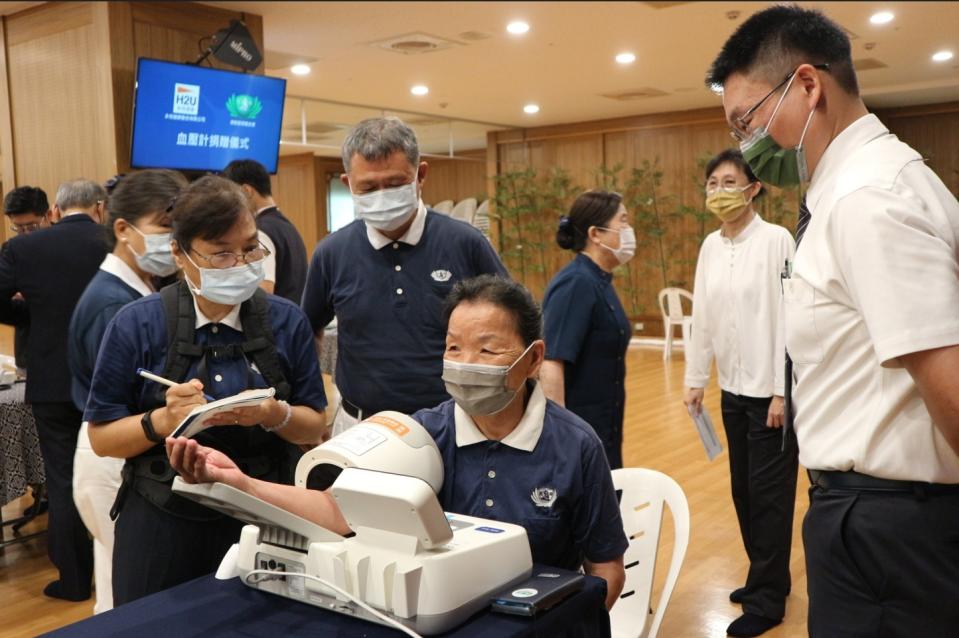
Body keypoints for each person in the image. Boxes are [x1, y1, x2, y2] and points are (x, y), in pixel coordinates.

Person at [709, 6, 959, 637]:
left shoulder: (866, 201)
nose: (746, 144)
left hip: (890, 527)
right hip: (873, 517)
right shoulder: (860, 187)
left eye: (748, 120)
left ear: (809, 86)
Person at [169, 274, 628, 610]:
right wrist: (240, 483)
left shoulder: (574, 446)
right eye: (453, 347)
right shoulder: (424, 433)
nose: (466, 363)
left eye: (487, 350)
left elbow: (605, 571)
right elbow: (337, 509)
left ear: (534, 359)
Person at [84, 175, 328, 605]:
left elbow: (313, 425)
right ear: (180, 253)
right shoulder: (135, 323)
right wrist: (164, 419)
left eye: (250, 248)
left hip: (265, 512)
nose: (241, 264)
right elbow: (102, 439)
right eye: (221, 255)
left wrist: (274, 414)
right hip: (161, 516)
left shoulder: (285, 321)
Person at [302, 117, 508, 434]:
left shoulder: (465, 243)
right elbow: (310, 329)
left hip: (454, 424)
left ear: (420, 175)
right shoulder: (331, 252)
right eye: (368, 188)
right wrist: (310, 403)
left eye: (395, 184)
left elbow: (511, 323)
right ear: (348, 184)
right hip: (362, 425)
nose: (383, 195)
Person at [682, 150, 796, 636]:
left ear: (753, 188)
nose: (718, 191)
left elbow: (789, 317)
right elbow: (703, 317)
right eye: (711, 183)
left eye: (729, 180)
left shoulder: (777, 241)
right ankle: (766, 576)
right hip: (731, 390)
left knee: (770, 496)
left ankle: (768, 601)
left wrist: (780, 391)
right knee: (743, 490)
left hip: (770, 395)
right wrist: (695, 377)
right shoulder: (710, 245)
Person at [68, 169, 187, 613]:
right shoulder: (113, 306)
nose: (174, 241)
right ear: (123, 229)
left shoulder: (138, 289)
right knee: (132, 588)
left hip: (127, 448)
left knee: (117, 585)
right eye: (165, 227)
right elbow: (125, 402)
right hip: (113, 452)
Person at [0, 179, 109, 601]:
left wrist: (29, 311)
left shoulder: (24, 250)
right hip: (108, 374)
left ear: (57, 211)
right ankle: (121, 566)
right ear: (99, 207)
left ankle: (75, 580)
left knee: (63, 479)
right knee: (117, 472)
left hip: (51, 379)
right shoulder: (114, 241)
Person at [540, 191, 634, 469]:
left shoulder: (599, 280)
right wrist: (559, 435)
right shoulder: (576, 284)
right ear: (596, 234)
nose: (629, 232)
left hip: (604, 425)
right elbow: (551, 362)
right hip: (578, 431)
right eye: (623, 222)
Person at [222, 159, 308, 304]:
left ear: (246, 191)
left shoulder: (259, 232)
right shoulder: (287, 226)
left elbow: (265, 290)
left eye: (230, 196)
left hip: (275, 322)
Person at [1, 185, 52, 369]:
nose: (26, 235)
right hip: (30, 346)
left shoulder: (65, 244)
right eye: (19, 228)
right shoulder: (11, 249)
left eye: (32, 227)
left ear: (48, 216)